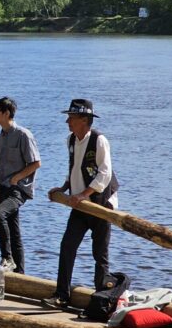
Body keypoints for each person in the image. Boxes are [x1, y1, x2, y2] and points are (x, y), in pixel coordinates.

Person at [46, 99, 119, 308]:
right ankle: (62, 295)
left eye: (71, 118)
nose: (67, 121)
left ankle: (101, 301)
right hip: (80, 204)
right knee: (67, 246)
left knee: (100, 254)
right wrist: (63, 188)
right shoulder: (70, 140)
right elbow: (74, 169)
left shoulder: (99, 140)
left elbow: (105, 174)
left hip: (101, 205)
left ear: (84, 120)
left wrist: (84, 194)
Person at [0, 97, 41, 273]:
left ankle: (7, 258)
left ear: (6, 113)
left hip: (17, 190)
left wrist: (16, 178)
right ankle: (20, 274)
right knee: (14, 231)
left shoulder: (23, 135)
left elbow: (36, 163)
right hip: (1, 190)